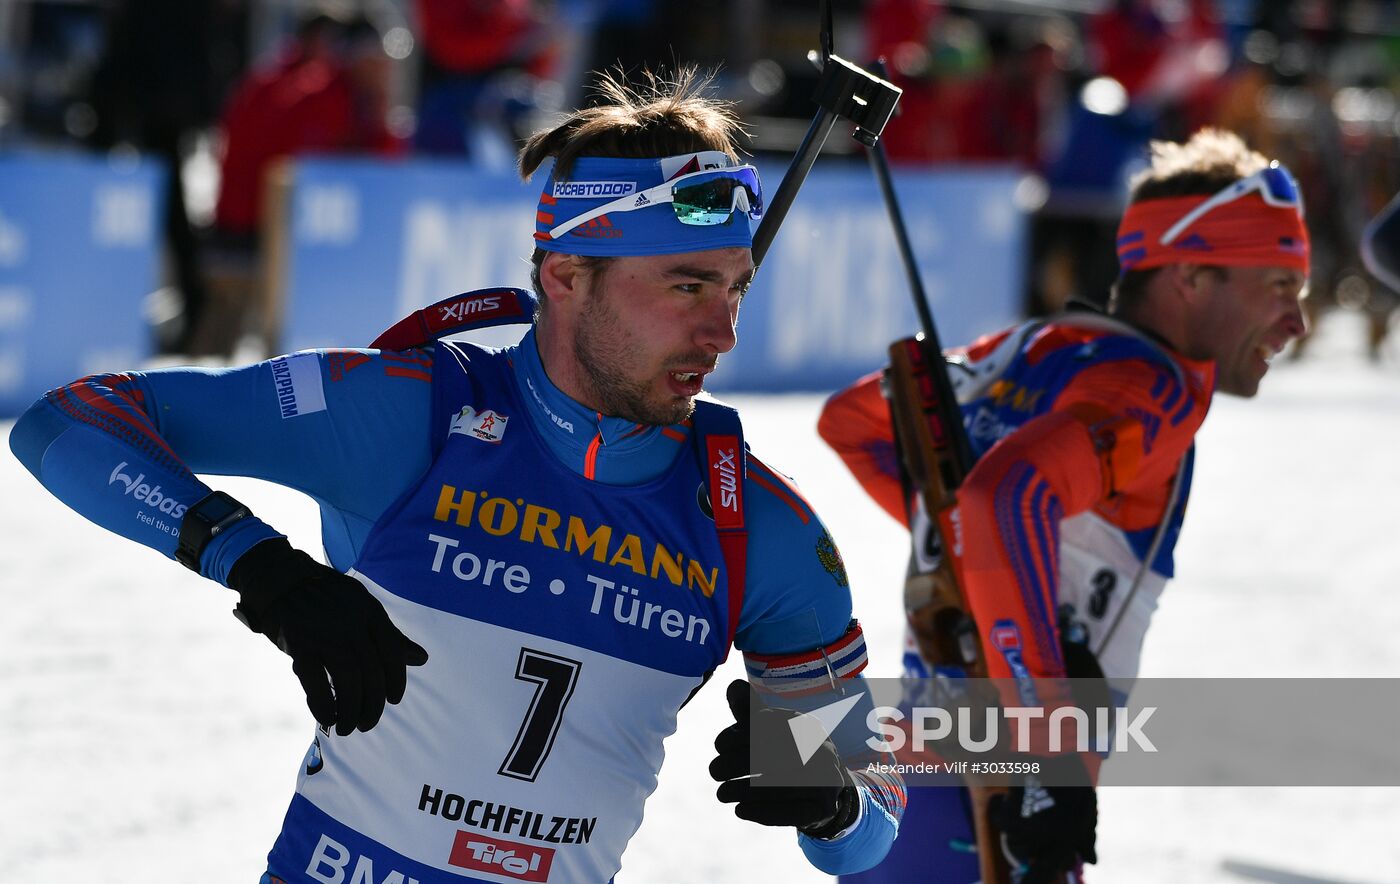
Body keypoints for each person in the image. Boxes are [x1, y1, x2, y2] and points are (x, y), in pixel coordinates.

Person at [9, 70, 904, 881]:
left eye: (736, 288)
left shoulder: (762, 527)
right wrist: (259, 566)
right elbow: (68, 421)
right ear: (566, 276)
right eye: (687, 287)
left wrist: (833, 799)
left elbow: (877, 812)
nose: (724, 333)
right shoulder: (412, 414)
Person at [819, 128, 1309, 883]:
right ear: (1190, 274)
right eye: (1279, 286)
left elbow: (852, 422)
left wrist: (965, 552)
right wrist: (1049, 744)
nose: (1298, 321)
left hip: (912, 787)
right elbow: (1005, 496)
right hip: (1004, 800)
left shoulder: (1028, 347)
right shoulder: (1151, 387)